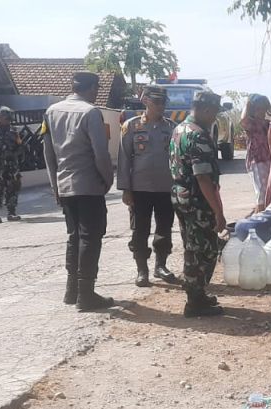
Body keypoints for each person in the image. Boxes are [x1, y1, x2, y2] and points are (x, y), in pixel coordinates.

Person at [42, 72, 117, 312]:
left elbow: (48, 154)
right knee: (90, 237)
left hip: (65, 186)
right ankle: (86, 295)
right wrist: (107, 181)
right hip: (88, 186)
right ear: (92, 88)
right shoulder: (90, 112)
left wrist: (55, 185)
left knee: (74, 237)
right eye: (97, 88)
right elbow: (101, 153)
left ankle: (71, 290)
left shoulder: (51, 112)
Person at [169, 91, 229, 318]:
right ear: (205, 109)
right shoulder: (199, 136)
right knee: (205, 249)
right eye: (214, 112)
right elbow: (203, 177)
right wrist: (218, 212)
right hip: (196, 199)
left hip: (180, 195)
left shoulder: (178, 129)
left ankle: (198, 295)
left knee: (191, 245)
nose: (215, 117)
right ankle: (194, 302)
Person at [118, 84, 179, 288]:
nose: (162, 106)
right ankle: (141, 270)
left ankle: (160, 265)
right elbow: (124, 159)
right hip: (140, 188)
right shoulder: (131, 126)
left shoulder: (171, 128)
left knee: (164, 228)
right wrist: (126, 188)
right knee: (140, 230)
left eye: (164, 102)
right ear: (146, 101)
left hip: (165, 187)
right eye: (157, 102)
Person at [241, 94, 271, 213]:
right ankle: (259, 217)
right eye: (258, 109)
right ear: (252, 109)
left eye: (263, 108)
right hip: (257, 160)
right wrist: (247, 104)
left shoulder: (267, 123)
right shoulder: (251, 123)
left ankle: (263, 215)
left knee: (268, 190)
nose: (261, 111)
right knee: (261, 191)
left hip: (268, 158)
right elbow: (243, 120)